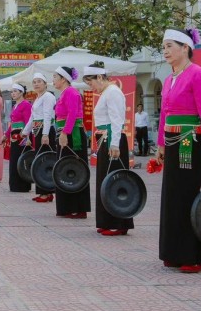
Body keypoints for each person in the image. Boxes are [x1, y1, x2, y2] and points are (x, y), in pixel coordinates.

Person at [156, 29, 201, 273]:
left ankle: (194, 255)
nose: (165, 51)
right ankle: (174, 251)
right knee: (173, 196)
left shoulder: (199, 75)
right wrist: (160, 144)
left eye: (170, 45)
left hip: (193, 143)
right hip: (173, 143)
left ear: (185, 48)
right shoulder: (170, 78)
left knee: (192, 196)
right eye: (164, 46)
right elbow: (164, 114)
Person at [87, 64, 133, 236]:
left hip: (112, 140)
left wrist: (114, 144)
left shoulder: (112, 92)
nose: (90, 87)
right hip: (104, 140)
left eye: (90, 82)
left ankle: (118, 222)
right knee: (104, 181)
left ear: (99, 77)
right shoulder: (105, 93)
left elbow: (116, 120)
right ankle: (107, 220)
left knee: (114, 182)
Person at [53, 66, 89, 219]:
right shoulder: (63, 93)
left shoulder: (72, 93)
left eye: (55, 77)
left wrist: (65, 133)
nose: (53, 80)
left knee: (74, 169)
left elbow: (73, 114)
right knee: (63, 169)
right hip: (64, 132)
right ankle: (67, 206)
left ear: (63, 79)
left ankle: (78, 208)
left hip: (72, 134)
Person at [29, 72, 57, 203]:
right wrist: (25, 132)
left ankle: (48, 192)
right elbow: (32, 117)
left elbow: (47, 116)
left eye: (39, 81)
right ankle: (42, 192)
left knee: (45, 161)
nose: (36, 84)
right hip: (37, 131)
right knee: (39, 162)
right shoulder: (37, 98)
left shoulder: (48, 97)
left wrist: (45, 134)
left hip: (45, 132)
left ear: (45, 84)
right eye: (34, 82)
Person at [7, 83, 33, 193]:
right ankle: (14, 184)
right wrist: (6, 135)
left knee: (21, 160)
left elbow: (28, 121)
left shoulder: (26, 105)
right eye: (12, 91)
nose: (13, 93)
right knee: (14, 160)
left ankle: (22, 185)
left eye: (15, 91)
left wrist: (28, 137)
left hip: (22, 135)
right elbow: (12, 123)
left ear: (22, 93)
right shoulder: (15, 106)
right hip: (14, 135)